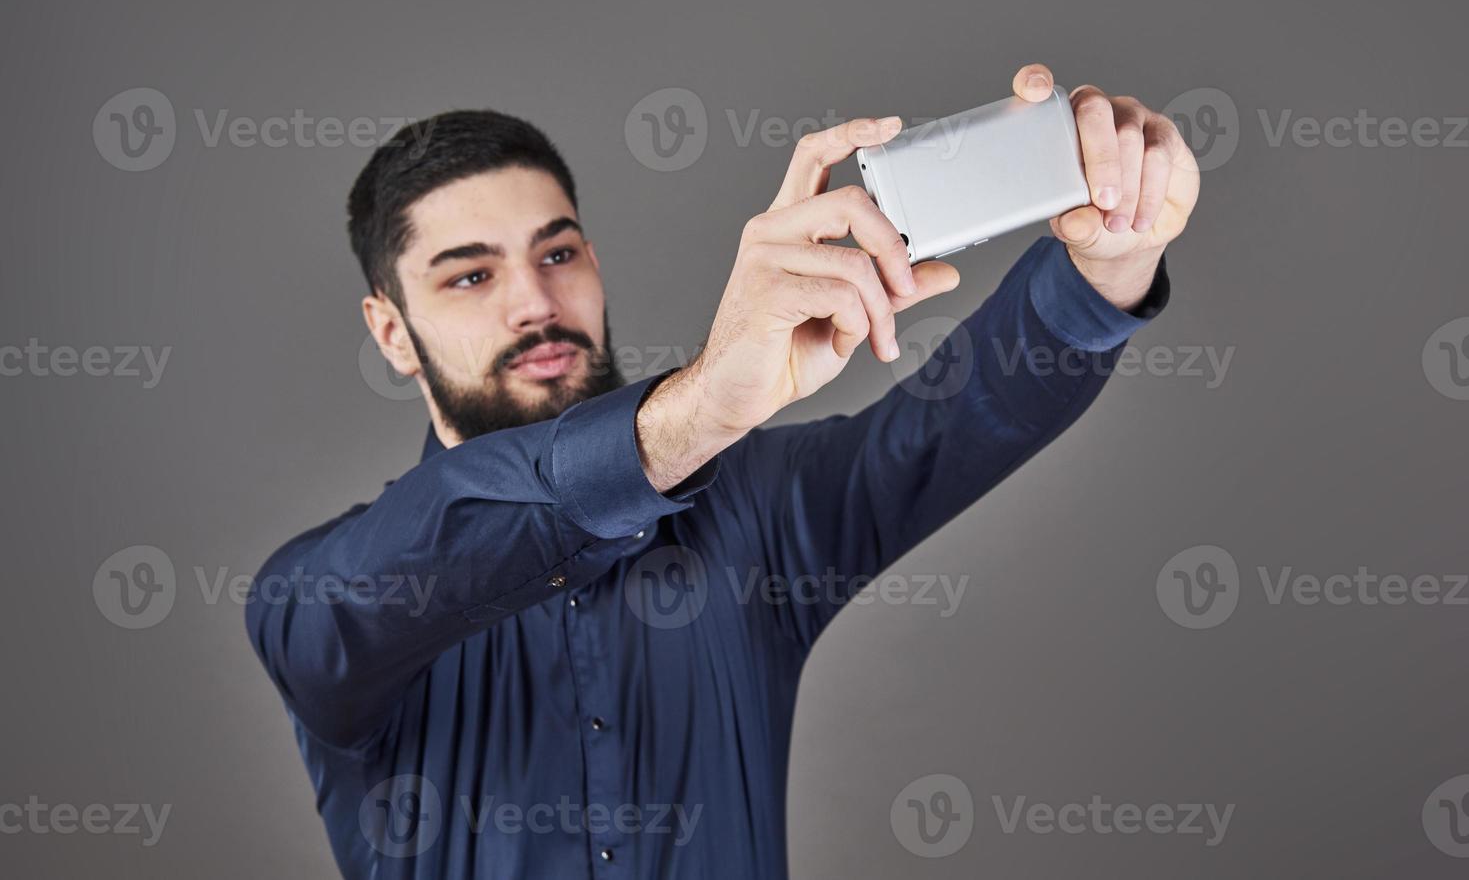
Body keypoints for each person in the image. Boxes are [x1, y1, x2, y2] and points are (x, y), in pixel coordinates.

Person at [246, 63, 1199, 879]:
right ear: (390, 333)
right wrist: (696, 412)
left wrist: (1109, 261)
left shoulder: (757, 511)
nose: (535, 303)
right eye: (469, 275)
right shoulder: (322, 601)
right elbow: (416, 557)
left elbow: (956, 420)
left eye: (558, 252)